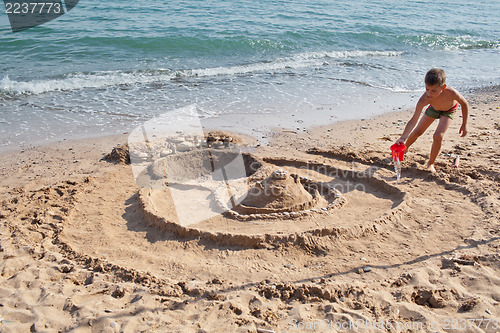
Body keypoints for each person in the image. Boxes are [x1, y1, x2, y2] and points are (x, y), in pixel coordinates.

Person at [396, 68, 469, 172]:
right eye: (427, 89)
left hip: (449, 110)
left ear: (443, 87)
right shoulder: (424, 99)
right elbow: (413, 120)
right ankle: (405, 148)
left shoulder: (451, 93)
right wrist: (403, 138)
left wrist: (464, 124)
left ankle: (431, 163)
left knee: (438, 136)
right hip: (434, 108)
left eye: (434, 91)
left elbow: (464, 103)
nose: (429, 94)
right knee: (417, 131)